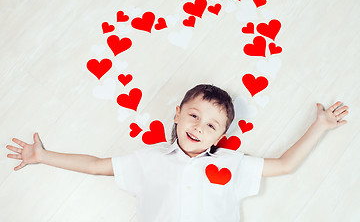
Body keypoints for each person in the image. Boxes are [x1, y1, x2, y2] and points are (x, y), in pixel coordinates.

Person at [6, 84, 349, 222]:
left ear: (220, 137)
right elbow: (96, 166)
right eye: (194, 116)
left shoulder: (231, 164)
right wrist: (43, 156)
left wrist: (319, 125)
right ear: (178, 114)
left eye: (211, 126)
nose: (199, 128)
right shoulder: (149, 158)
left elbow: (286, 165)